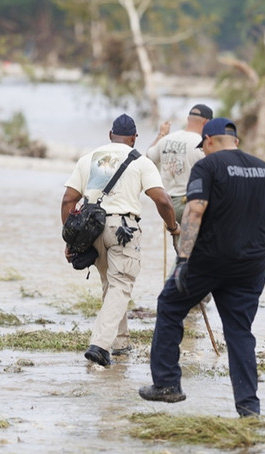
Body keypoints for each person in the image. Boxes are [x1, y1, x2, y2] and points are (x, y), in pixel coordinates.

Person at [139, 117, 265, 417]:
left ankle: (167, 384)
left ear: (209, 141)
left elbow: (195, 211)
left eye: (204, 146)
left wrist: (183, 260)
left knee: (170, 305)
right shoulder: (264, 169)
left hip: (208, 260)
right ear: (235, 141)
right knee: (239, 332)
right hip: (250, 265)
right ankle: (249, 407)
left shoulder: (207, 166)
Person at [62, 113, 179, 366]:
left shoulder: (89, 159)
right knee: (121, 284)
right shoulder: (141, 162)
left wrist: (71, 241)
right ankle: (100, 345)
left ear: (110, 136)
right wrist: (173, 227)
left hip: (92, 229)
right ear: (134, 138)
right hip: (122, 228)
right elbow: (162, 200)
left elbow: (68, 200)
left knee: (110, 284)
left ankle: (120, 343)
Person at [147, 104, 213, 224]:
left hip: (167, 205)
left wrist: (161, 134)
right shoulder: (201, 144)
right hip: (189, 203)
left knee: (179, 240)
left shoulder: (165, 140)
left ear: (188, 119)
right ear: (207, 123)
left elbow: (148, 159)